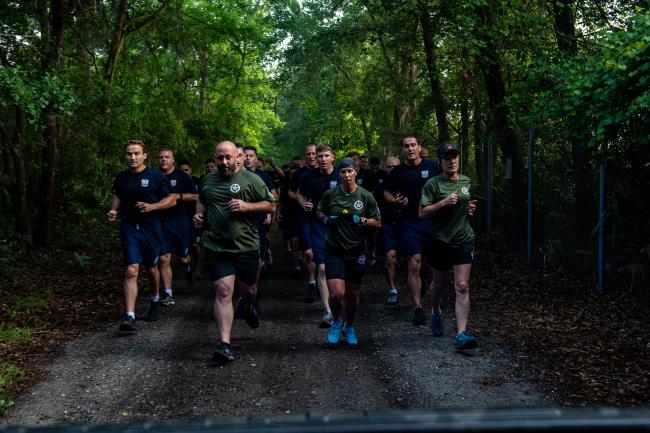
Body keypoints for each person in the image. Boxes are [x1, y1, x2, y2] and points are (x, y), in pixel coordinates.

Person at [194, 141, 276, 364]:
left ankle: (248, 306)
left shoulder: (252, 180)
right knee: (223, 290)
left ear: (237, 158)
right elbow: (202, 199)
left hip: (246, 246)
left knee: (248, 291)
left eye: (228, 158)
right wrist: (199, 214)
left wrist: (247, 207)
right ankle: (224, 344)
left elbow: (271, 205)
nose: (224, 162)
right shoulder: (208, 180)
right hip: (217, 246)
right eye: (220, 158)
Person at [107, 139, 176, 335]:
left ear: (144, 155)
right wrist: (113, 210)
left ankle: (155, 299)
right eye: (129, 154)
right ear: (125, 156)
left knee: (151, 267)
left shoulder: (155, 176)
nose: (133, 157)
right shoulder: (121, 177)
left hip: (151, 228)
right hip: (129, 226)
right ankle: (130, 315)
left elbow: (171, 199)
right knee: (131, 269)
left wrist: (153, 207)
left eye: (137, 153)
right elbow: (118, 195)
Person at [419, 142, 478, 350]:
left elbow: (466, 202)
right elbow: (422, 212)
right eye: (447, 158)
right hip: (440, 240)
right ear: (441, 161)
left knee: (462, 286)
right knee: (439, 282)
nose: (452, 161)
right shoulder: (433, 184)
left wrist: (468, 207)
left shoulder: (465, 181)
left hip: (463, 239)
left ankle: (461, 334)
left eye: (455, 157)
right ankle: (435, 311)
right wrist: (443, 203)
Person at [317, 158, 381, 346]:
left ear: (356, 173)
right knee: (337, 293)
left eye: (350, 172)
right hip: (334, 248)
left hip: (356, 249)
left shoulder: (366, 196)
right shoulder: (330, 195)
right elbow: (320, 212)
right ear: (339, 174)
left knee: (352, 294)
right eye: (343, 172)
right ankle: (337, 321)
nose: (346, 175)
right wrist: (326, 220)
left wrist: (361, 221)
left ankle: (350, 326)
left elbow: (377, 222)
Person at [383, 135, 441, 326]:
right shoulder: (398, 172)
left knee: (431, 266)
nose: (410, 148)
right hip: (409, 222)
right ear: (402, 150)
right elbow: (386, 192)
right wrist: (394, 200)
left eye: (413, 145)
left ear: (419, 147)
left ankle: (434, 302)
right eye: (406, 146)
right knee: (413, 264)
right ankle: (418, 308)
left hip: (432, 222)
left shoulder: (432, 167)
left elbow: (446, 184)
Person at [297, 143, 339, 327]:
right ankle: (328, 310)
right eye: (319, 156)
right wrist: (304, 203)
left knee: (339, 269)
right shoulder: (308, 177)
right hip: (317, 225)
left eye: (325, 156)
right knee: (321, 268)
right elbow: (299, 193)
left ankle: (340, 303)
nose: (322, 159)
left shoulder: (341, 174)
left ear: (332, 157)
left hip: (340, 227)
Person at [157, 148, 198, 305]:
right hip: (161, 222)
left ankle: (188, 269)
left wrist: (179, 196)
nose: (164, 160)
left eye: (167, 157)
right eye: (161, 157)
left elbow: (197, 196)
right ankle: (168, 294)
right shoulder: (154, 177)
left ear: (173, 159)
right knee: (164, 258)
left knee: (182, 258)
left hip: (180, 221)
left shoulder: (183, 177)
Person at [288, 144, 319, 302]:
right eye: (309, 154)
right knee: (308, 253)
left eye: (314, 153)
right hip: (304, 215)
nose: (311, 156)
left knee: (322, 252)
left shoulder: (326, 172)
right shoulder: (300, 174)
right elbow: (291, 192)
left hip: (322, 218)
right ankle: (311, 282)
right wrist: (303, 202)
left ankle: (323, 282)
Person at [373, 156, 401, 304]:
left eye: (395, 167)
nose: (392, 169)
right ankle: (392, 289)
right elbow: (371, 206)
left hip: (406, 225)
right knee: (389, 257)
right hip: (387, 225)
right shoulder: (380, 188)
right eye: (389, 167)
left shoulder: (407, 184)